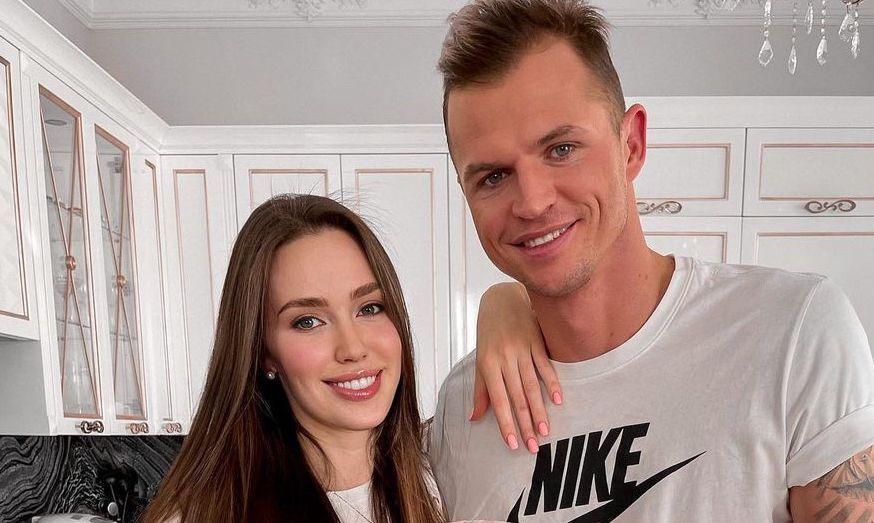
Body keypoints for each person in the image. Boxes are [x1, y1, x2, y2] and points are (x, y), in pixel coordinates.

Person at [428, 1, 874, 522]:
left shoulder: (794, 330)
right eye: (493, 177)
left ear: (631, 144)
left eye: (562, 149)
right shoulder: (463, 406)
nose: (532, 201)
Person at [142, 194, 549, 523]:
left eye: (369, 308)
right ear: (264, 352)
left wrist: (505, 298)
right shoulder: (203, 513)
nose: (353, 348)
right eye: (307, 321)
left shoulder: (435, 468)